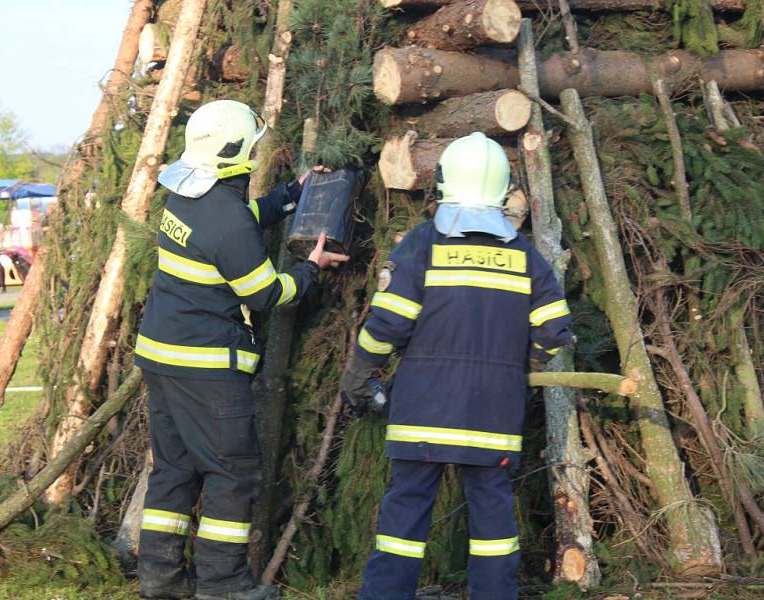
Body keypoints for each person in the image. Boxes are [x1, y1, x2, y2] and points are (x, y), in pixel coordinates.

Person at [340, 132, 573, 600]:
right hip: (493, 413)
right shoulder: (525, 255)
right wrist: (519, 369)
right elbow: (554, 330)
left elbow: (388, 322)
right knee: (492, 517)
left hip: (422, 410)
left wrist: (359, 371)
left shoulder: (423, 244)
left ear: (445, 181)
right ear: (502, 187)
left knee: (404, 516)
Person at [134, 100, 347, 600]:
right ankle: (224, 585)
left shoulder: (187, 198)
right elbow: (266, 294)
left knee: (175, 469)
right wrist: (311, 268)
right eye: (251, 143)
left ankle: (160, 580)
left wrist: (291, 195)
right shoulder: (226, 220)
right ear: (236, 152)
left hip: (162, 359)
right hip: (206, 368)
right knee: (232, 472)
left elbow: (242, 221)